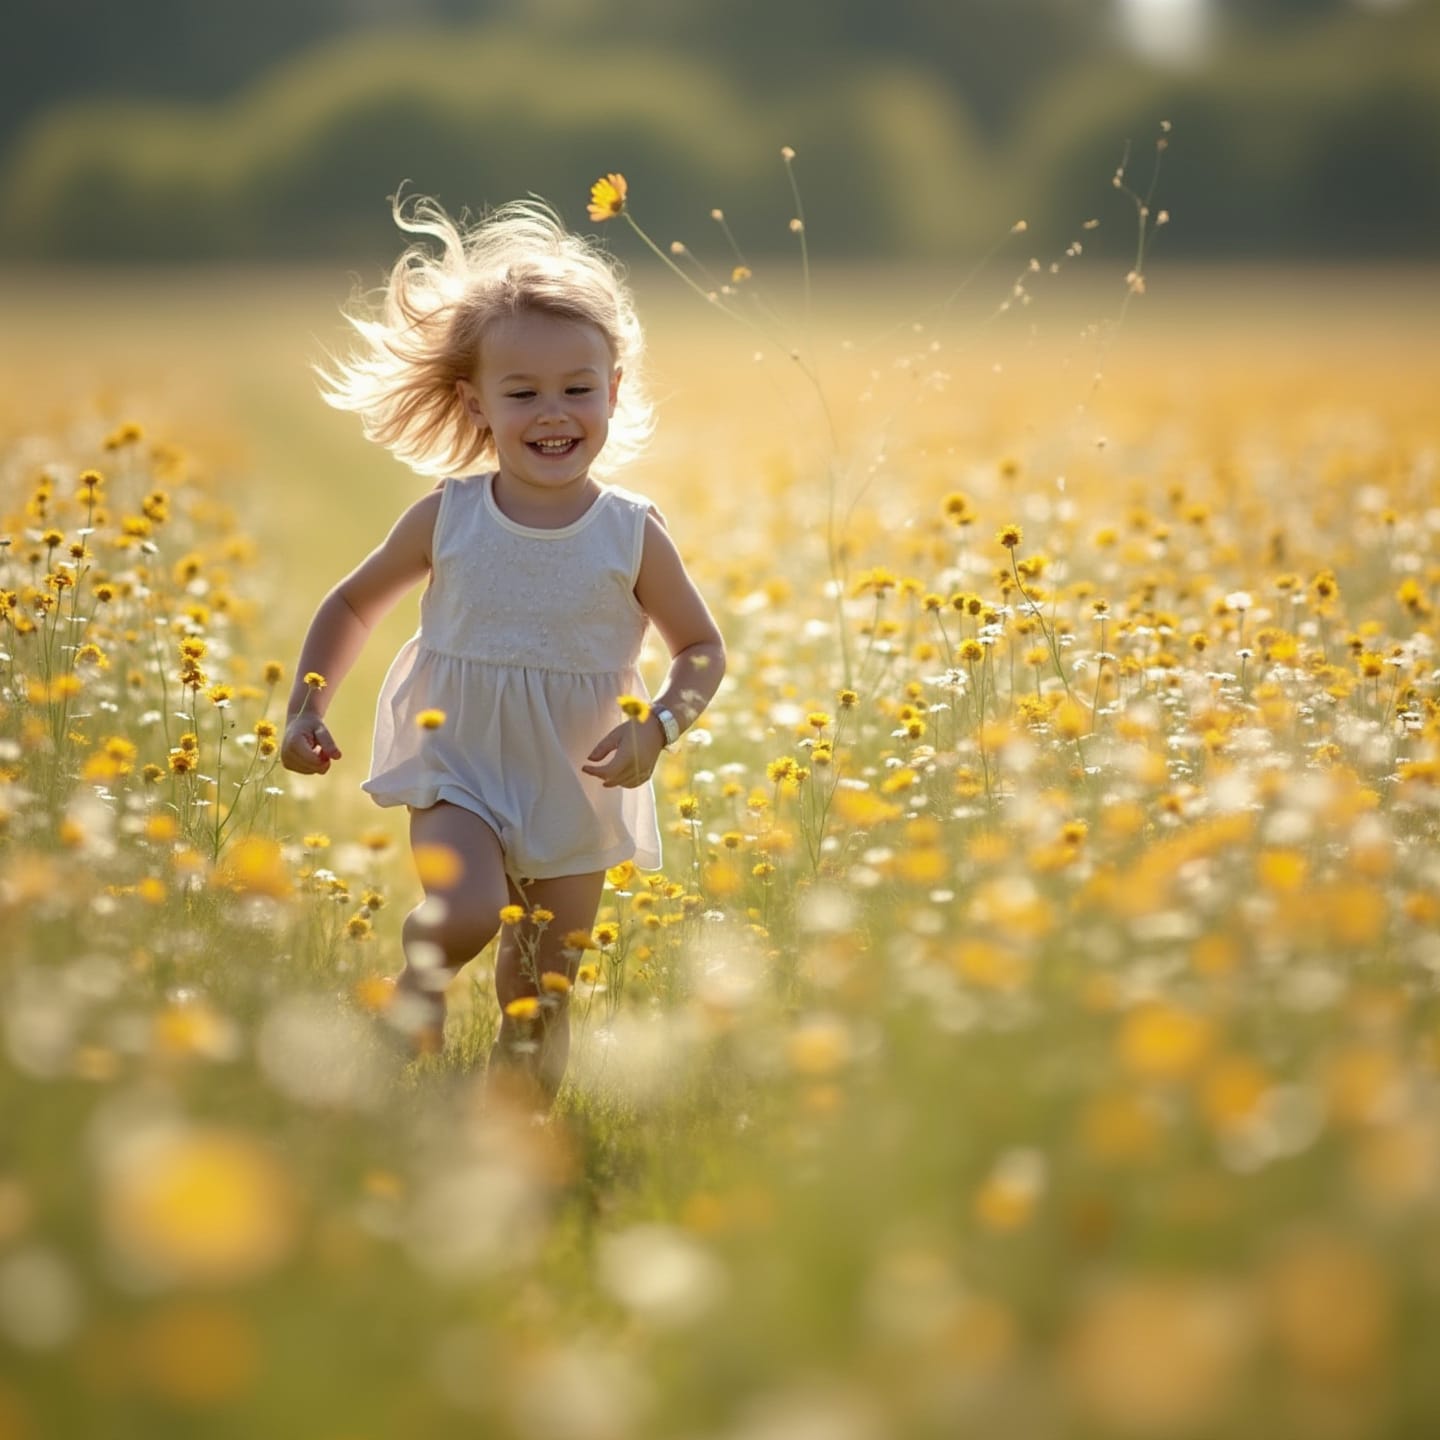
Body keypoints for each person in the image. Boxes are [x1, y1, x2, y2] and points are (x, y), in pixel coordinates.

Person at [281, 195, 725, 1100]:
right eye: (522, 393)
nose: (552, 412)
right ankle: (420, 977)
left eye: (577, 387)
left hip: (580, 784)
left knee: (541, 994)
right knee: (468, 908)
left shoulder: (631, 533)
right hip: (462, 762)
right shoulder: (448, 516)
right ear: (474, 402)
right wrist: (307, 705)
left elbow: (702, 651)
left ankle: (515, 1141)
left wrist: (661, 730)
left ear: (613, 391)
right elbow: (355, 602)